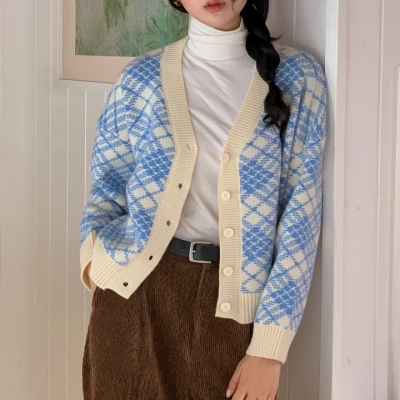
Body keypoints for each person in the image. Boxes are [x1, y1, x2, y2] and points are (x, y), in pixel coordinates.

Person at [80, 0, 326, 398]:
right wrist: (92, 258)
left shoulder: (297, 76)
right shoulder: (139, 78)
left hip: (228, 307)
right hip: (132, 294)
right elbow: (107, 181)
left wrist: (269, 352)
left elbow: (301, 214)